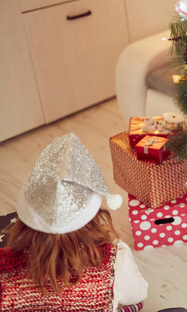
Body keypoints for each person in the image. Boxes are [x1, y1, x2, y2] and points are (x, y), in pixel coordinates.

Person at [0, 133, 148, 312]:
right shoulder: (114, 259)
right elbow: (138, 293)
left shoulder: (4, 265)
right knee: (137, 304)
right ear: (92, 217)